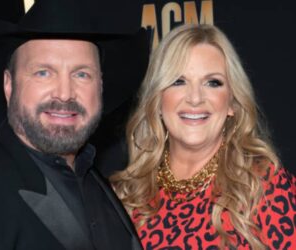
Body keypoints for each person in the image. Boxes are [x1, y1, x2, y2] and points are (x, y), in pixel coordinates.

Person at [0, 0, 149, 249]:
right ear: (9, 85)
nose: (64, 94)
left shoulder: (99, 183)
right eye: (44, 72)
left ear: (101, 87)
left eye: (81, 74)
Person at [111, 24, 296, 249]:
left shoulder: (263, 186)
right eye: (178, 81)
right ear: (158, 102)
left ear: (232, 103)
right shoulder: (125, 196)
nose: (195, 98)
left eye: (212, 83)